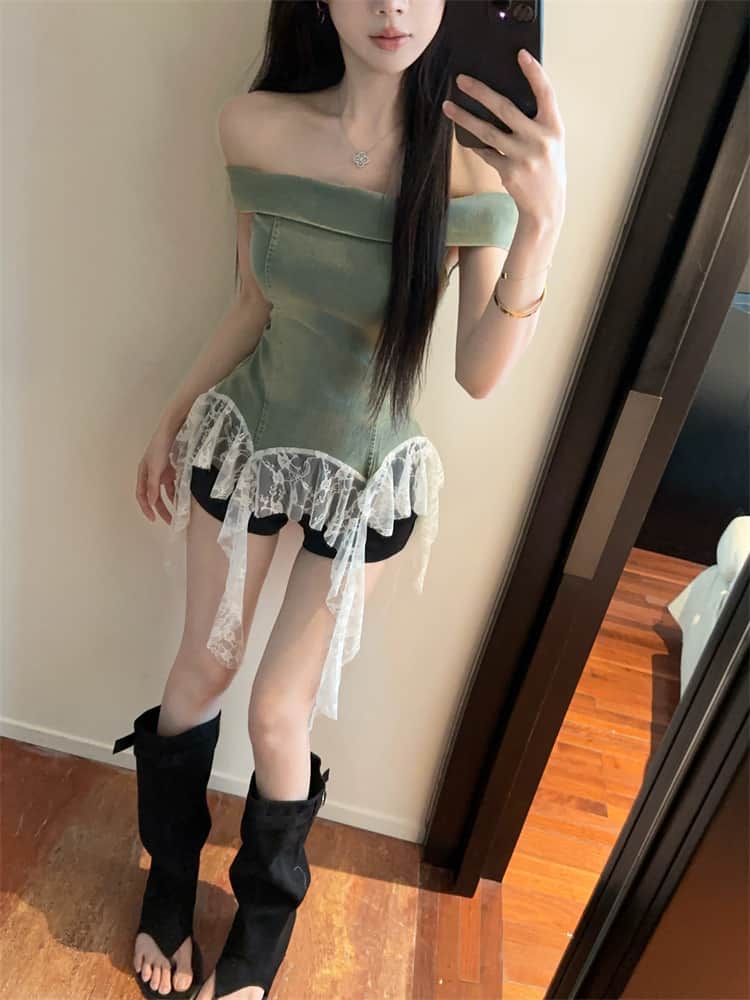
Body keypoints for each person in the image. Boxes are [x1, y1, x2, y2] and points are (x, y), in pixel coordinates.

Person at [112, 1, 566, 998]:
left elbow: (479, 372)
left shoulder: (472, 167)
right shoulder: (255, 126)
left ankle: (261, 932)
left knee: (279, 715)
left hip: (364, 476)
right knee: (203, 667)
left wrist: (542, 225)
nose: (391, 7)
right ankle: (168, 886)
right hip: (249, 439)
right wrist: (171, 415)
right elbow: (253, 300)